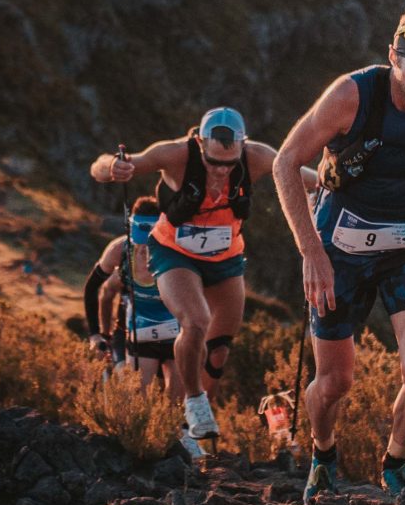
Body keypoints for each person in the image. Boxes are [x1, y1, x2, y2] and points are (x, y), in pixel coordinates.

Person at [272, 0, 405, 502]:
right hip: (337, 243)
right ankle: (324, 454)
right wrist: (311, 252)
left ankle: (395, 465)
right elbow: (285, 163)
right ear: (393, 56)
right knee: (335, 384)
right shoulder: (351, 95)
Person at [89, 110, 284, 462]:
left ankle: (186, 418)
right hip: (174, 253)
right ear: (199, 144)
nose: (221, 170)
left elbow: (305, 174)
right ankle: (194, 403)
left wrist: (336, 181)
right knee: (195, 323)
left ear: (242, 146)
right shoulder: (175, 155)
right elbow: (103, 166)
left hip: (226, 258)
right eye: (213, 162)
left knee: (219, 349)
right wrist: (112, 168)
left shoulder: (257, 157)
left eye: (229, 163)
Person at [84, 196, 182, 383]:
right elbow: (95, 288)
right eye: (140, 244)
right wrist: (98, 334)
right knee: (136, 397)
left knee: (176, 403)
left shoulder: (176, 249)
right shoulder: (120, 250)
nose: (145, 250)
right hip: (138, 335)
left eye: (152, 245)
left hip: (175, 336)